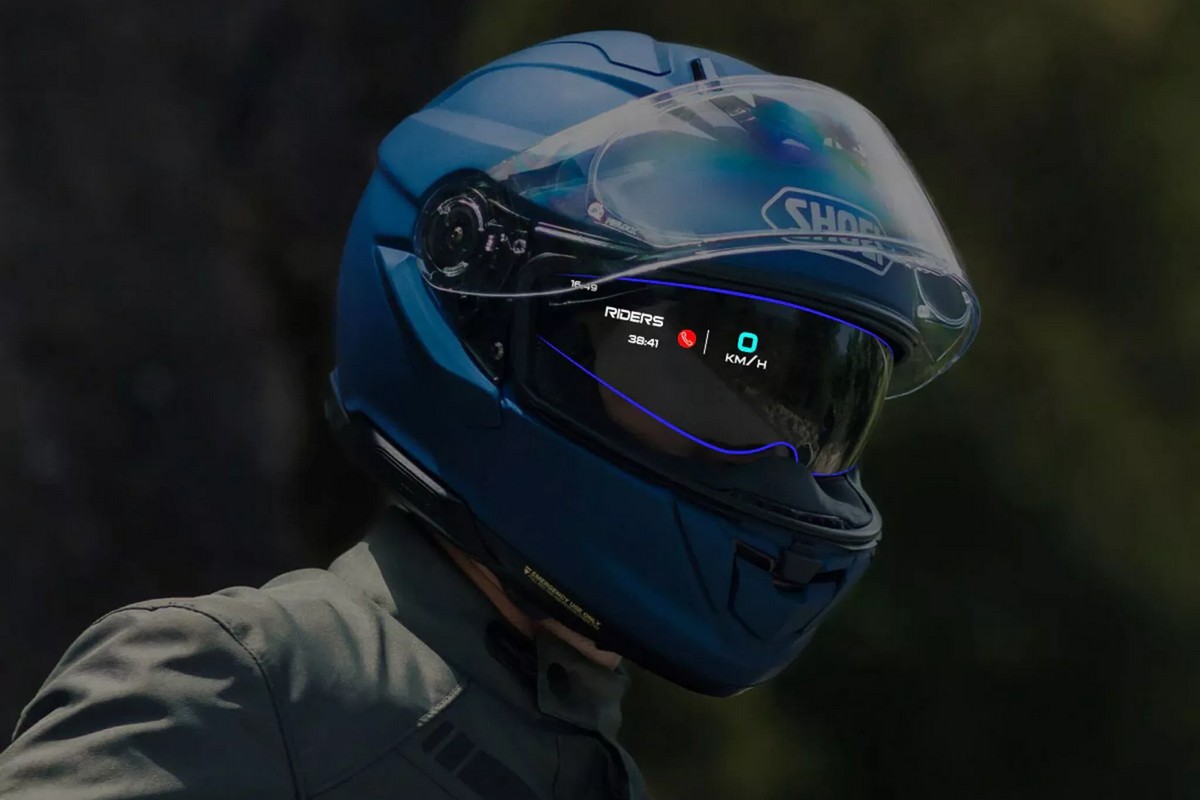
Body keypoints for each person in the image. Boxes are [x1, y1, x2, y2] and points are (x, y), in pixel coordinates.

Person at [0, 30, 979, 800]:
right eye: (704, 355)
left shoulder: (581, 766)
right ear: (483, 297)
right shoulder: (251, 684)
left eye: (814, 402)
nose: (778, 452)